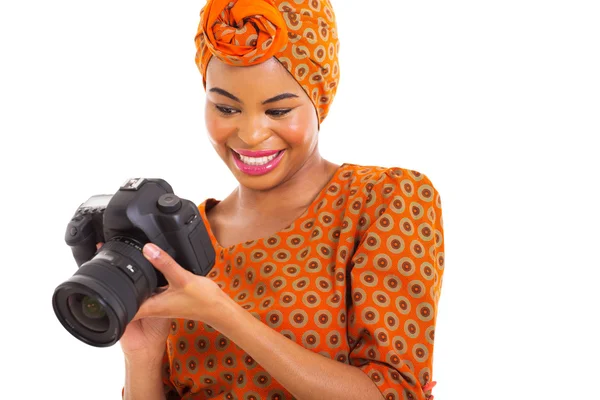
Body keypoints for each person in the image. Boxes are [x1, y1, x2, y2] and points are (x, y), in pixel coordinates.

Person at [116, 0, 445, 399]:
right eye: (225, 106)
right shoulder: (181, 238)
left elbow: (392, 392)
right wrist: (143, 357)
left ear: (320, 100)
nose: (251, 133)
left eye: (278, 110)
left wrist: (222, 314)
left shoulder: (382, 200)